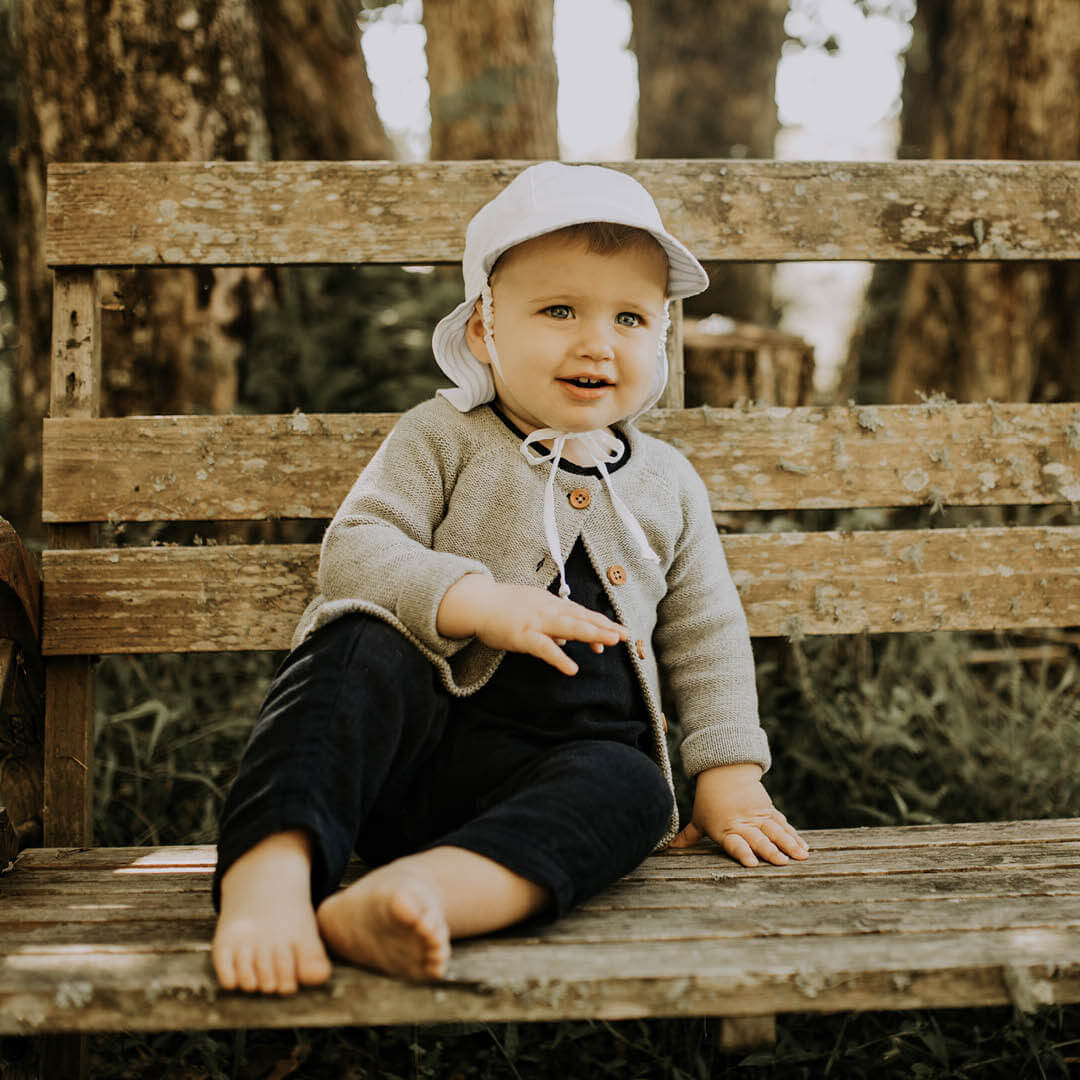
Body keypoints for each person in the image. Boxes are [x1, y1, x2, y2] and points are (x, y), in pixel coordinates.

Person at [211, 162, 809, 996]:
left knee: (632, 788)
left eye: (630, 317)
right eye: (559, 310)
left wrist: (730, 779)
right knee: (356, 644)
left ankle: (421, 897)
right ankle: (269, 878)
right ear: (485, 329)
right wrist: (475, 601)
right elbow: (355, 547)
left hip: (563, 772)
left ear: (662, 338)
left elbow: (706, 633)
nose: (597, 340)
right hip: (417, 754)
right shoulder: (442, 437)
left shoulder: (667, 482)